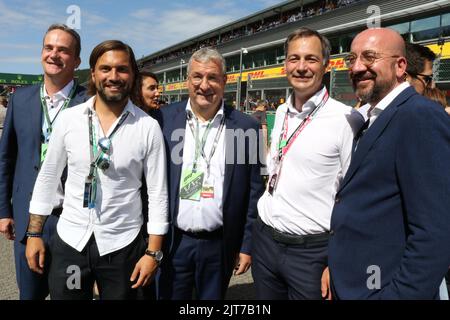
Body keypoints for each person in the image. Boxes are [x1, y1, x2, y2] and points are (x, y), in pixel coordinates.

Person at [24, 40, 169, 300]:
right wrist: (34, 232)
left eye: (122, 69)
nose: (113, 76)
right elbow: (48, 177)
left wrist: (153, 253)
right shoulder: (70, 119)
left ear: (132, 75)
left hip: (122, 245)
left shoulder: (148, 127)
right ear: (93, 74)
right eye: (105, 69)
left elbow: (158, 194)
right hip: (71, 242)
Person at [329, 28, 450, 299]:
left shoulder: (420, 116)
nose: (357, 67)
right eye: (352, 58)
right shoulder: (374, 116)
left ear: (400, 66)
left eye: (369, 57)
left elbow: (436, 232)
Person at [252, 27, 362, 300]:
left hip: (312, 254)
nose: (301, 67)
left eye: (311, 59)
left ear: (325, 65)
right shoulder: (280, 112)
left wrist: (338, 258)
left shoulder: (346, 119)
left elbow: (355, 196)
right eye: (294, 58)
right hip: (265, 242)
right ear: (285, 64)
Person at [157, 47, 264, 300]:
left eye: (212, 77)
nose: (204, 85)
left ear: (224, 81)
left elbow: (254, 192)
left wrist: (247, 246)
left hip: (220, 245)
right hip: (174, 242)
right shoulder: (163, 120)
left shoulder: (246, 127)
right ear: (187, 80)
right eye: (197, 76)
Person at [0, 24, 86, 300]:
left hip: (72, 222)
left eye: (63, 50)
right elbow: (6, 158)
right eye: (49, 48)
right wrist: (4, 210)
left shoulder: (91, 102)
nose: (54, 54)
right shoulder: (20, 98)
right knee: (30, 295)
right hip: (28, 220)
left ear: (76, 60)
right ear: (41, 53)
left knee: (71, 295)